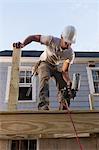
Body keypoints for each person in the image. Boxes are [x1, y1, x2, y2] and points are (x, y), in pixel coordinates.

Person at [13, 25, 76, 110]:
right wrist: (23, 44)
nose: (68, 45)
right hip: (44, 62)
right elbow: (33, 37)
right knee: (45, 77)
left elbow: (65, 71)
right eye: (66, 42)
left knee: (63, 82)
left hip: (55, 66)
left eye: (70, 43)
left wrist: (68, 81)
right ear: (61, 37)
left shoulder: (70, 53)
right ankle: (43, 105)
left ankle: (64, 105)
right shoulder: (51, 40)